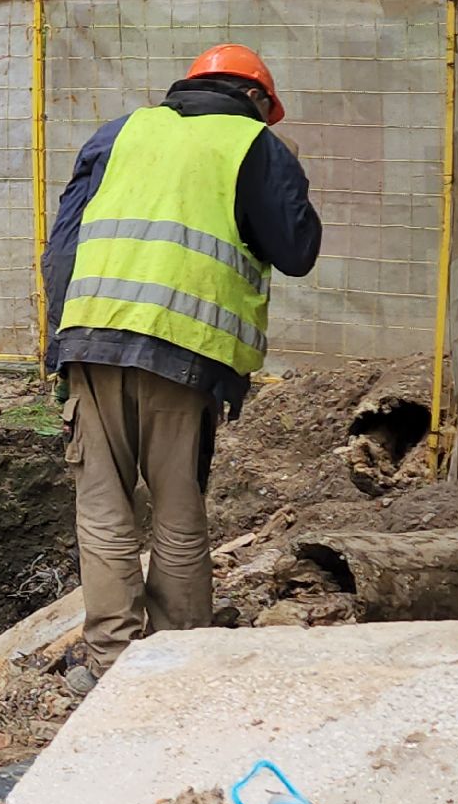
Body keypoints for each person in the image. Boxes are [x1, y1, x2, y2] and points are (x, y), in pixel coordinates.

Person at [41, 44, 322, 698]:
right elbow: (297, 249)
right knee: (175, 506)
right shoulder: (254, 145)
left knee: (104, 508)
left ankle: (113, 663)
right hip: (184, 352)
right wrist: (285, 176)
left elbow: (64, 245)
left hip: (92, 336)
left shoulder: (119, 133)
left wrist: (61, 343)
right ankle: (176, 657)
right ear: (255, 99)